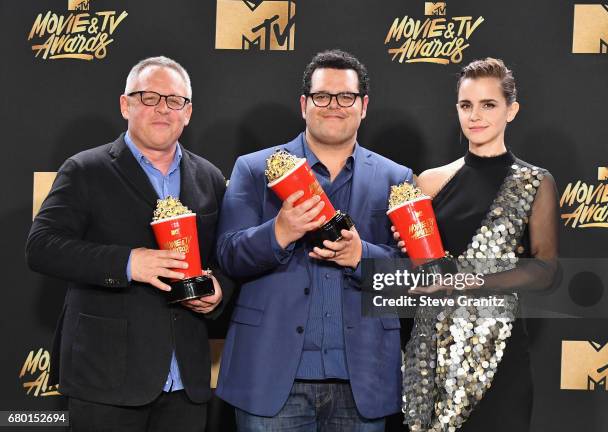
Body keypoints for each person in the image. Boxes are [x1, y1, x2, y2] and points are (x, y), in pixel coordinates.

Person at [26, 56, 231, 432]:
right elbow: (41, 246)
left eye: (174, 101)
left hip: (187, 384)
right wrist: (127, 263)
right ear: (126, 104)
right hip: (106, 381)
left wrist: (218, 292)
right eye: (149, 97)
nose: (162, 109)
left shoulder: (210, 177)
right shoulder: (86, 169)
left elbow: (226, 257)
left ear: (188, 113)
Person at [215, 49, 413, 431]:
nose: (333, 106)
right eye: (322, 96)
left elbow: (412, 277)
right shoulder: (255, 169)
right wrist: (280, 232)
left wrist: (362, 256)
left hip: (363, 382)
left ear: (364, 105)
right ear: (305, 104)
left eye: (346, 97)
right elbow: (228, 255)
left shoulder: (396, 178)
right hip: (269, 377)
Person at [395, 58, 559, 431]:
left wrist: (466, 280)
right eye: (466, 105)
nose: (475, 116)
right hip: (433, 352)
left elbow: (547, 270)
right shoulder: (430, 183)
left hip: (500, 354)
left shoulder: (534, 182)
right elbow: (420, 267)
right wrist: (407, 247)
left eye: (489, 104)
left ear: (511, 110)